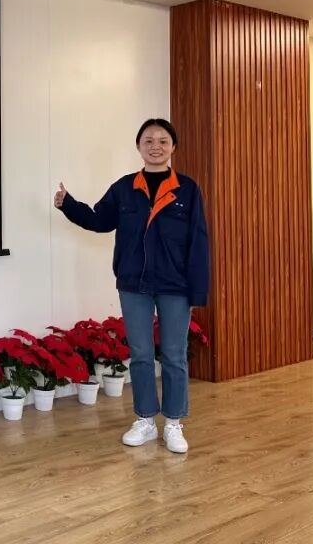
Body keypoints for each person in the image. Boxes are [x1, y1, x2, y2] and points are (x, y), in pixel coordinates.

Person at [54, 118, 209, 454]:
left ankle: (173, 423)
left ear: (173, 147)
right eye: (148, 141)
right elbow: (99, 220)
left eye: (163, 141)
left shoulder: (187, 189)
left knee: (174, 355)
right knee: (140, 355)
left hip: (175, 285)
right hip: (133, 283)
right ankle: (145, 420)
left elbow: (198, 241)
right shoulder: (124, 188)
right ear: (139, 147)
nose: (156, 147)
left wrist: (197, 291)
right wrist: (68, 204)